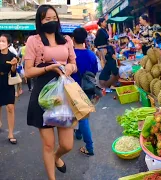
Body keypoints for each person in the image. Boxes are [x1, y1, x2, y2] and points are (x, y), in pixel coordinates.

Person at [24, 5, 77, 180]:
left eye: (54, 17)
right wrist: (49, 67)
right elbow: (28, 71)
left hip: (64, 92)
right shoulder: (33, 40)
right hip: (43, 94)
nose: (52, 21)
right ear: (40, 21)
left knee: (67, 144)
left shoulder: (67, 40)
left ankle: (56, 156)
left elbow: (74, 65)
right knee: (48, 144)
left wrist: (69, 67)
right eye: (47, 19)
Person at [71, 27, 97, 156]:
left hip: (75, 88)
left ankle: (89, 147)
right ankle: (79, 133)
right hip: (89, 87)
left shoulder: (71, 55)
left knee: (82, 118)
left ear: (73, 39)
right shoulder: (91, 54)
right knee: (83, 114)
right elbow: (95, 71)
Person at [0, 34, 18, 144]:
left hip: (8, 82)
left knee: (10, 107)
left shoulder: (12, 56)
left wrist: (13, 66)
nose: (1, 43)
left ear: (8, 44)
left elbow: (14, 73)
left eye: (3, 41)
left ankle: (11, 133)